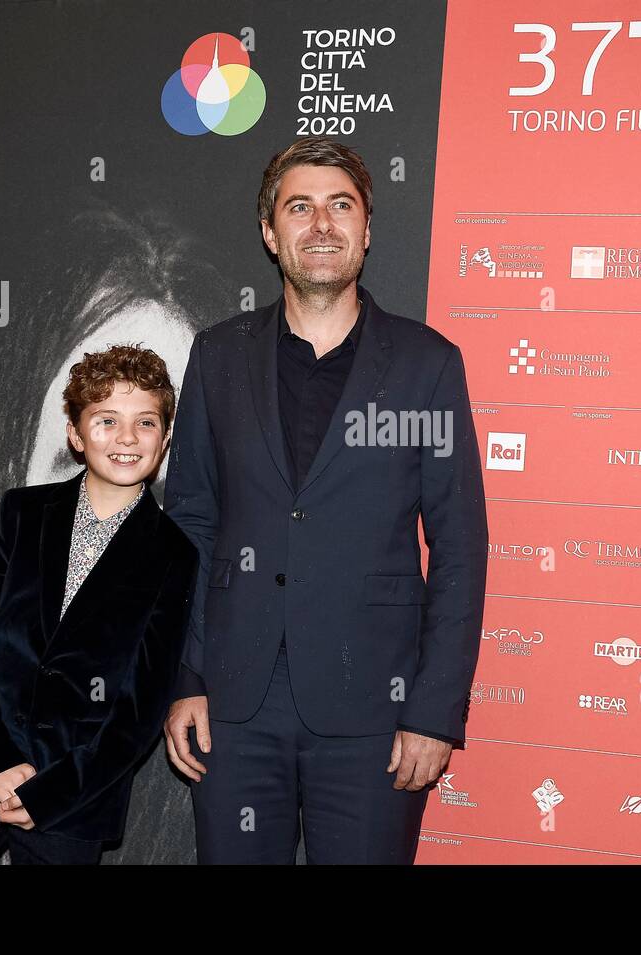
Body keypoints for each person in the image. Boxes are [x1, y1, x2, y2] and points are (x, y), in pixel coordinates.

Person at [162, 137, 489, 864]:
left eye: (341, 206)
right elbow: (192, 521)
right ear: (270, 233)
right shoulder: (219, 356)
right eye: (299, 206)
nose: (321, 224)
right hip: (235, 709)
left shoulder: (427, 365)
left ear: (367, 230)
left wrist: (434, 711)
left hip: (375, 709)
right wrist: (184, 677)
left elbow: (460, 545)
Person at [0, 345, 198, 864]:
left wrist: (56, 791)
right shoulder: (21, 515)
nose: (126, 438)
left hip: (72, 800)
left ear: (166, 437)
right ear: (76, 435)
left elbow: (140, 707)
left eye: (144, 423)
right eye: (106, 420)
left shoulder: (173, 555)